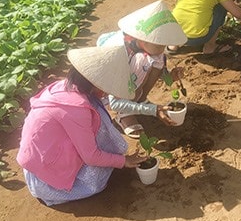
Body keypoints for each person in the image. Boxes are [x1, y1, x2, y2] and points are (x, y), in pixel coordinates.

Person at [17, 45, 147, 206]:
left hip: (38, 160)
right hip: (44, 178)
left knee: (97, 113)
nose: (108, 92)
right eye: (107, 87)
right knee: (97, 182)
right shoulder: (77, 109)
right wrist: (123, 161)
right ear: (94, 83)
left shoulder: (64, 86)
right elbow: (91, 157)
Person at [97, 0, 188, 139]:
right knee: (142, 62)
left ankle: (138, 100)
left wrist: (170, 77)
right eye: (160, 45)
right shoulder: (119, 51)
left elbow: (159, 69)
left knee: (154, 60)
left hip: (131, 76)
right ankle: (125, 114)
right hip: (107, 87)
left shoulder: (150, 48)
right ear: (143, 39)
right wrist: (152, 110)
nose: (162, 49)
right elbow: (114, 102)